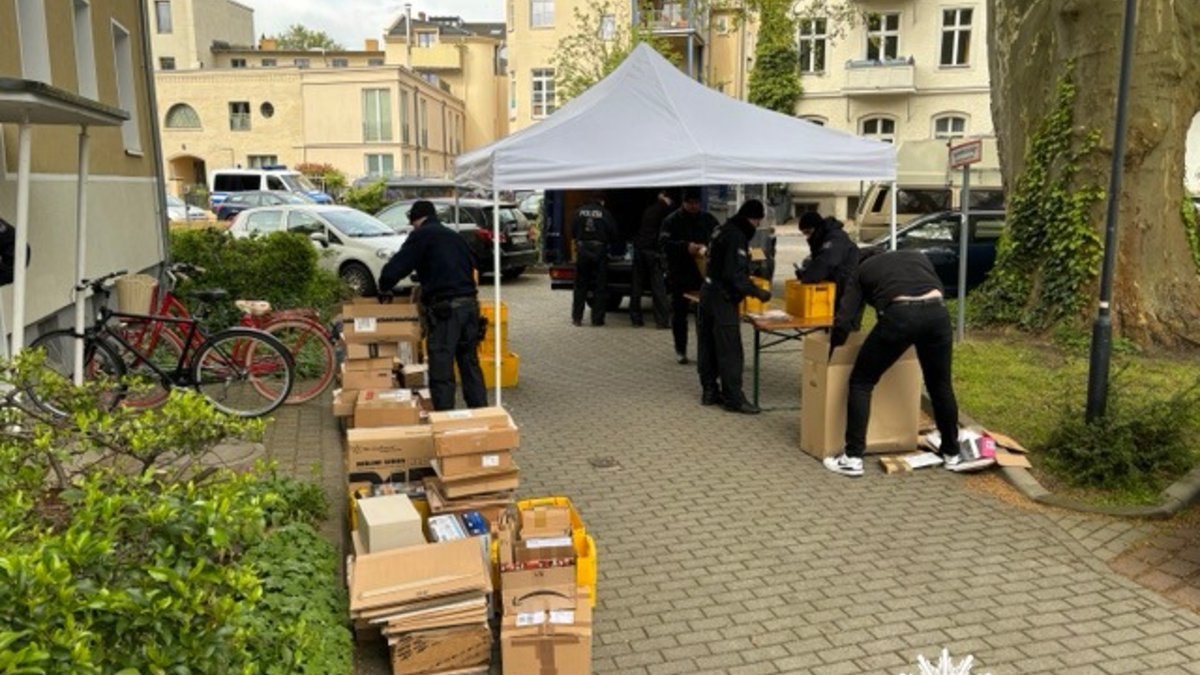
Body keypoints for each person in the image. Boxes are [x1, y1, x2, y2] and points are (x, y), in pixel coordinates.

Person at [823, 249, 962, 477]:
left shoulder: (861, 270)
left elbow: (845, 319)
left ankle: (852, 457)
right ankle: (952, 453)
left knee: (861, 381)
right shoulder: (916, 256)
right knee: (940, 385)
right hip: (939, 314)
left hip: (900, 316)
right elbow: (934, 285)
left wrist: (832, 351)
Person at [378, 200, 487, 412]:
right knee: (469, 364)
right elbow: (466, 265)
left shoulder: (422, 235)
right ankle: (481, 414)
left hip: (446, 311)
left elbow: (399, 265)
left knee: (442, 368)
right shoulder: (453, 236)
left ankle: (445, 420)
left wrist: (384, 285)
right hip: (470, 307)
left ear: (415, 219)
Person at [696, 199, 771, 414]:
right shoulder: (736, 236)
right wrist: (758, 292)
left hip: (707, 293)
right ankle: (734, 398)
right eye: (758, 222)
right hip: (722, 298)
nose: (757, 227)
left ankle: (709, 391)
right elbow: (734, 275)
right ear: (754, 218)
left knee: (707, 344)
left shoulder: (720, 229)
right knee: (730, 350)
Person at [659, 188, 720, 364]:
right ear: (683, 203)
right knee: (679, 314)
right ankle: (680, 349)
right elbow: (663, 244)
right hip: (679, 273)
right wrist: (685, 247)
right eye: (690, 203)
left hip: (703, 275)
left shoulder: (707, 219)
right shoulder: (672, 221)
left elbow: (719, 238)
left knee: (705, 314)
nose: (693, 206)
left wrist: (708, 247)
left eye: (696, 203)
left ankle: (706, 351)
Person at [570, 192, 618, 327]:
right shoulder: (605, 213)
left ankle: (577, 318)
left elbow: (573, 231)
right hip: (599, 251)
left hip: (583, 251)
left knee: (580, 286)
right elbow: (614, 233)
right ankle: (597, 319)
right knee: (600, 286)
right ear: (601, 201)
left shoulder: (578, 212)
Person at [795, 212, 859, 307]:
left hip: (848, 286)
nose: (807, 237)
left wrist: (807, 277)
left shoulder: (834, 238)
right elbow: (819, 259)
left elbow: (825, 262)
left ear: (816, 227)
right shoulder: (824, 237)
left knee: (844, 318)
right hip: (841, 284)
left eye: (808, 232)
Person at [629, 189, 672, 328]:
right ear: (666, 198)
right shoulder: (666, 210)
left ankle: (635, 319)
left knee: (637, 285)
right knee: (658, 286)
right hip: (653, 251)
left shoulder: (649, 209)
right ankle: (661, 321)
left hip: (639, 248)